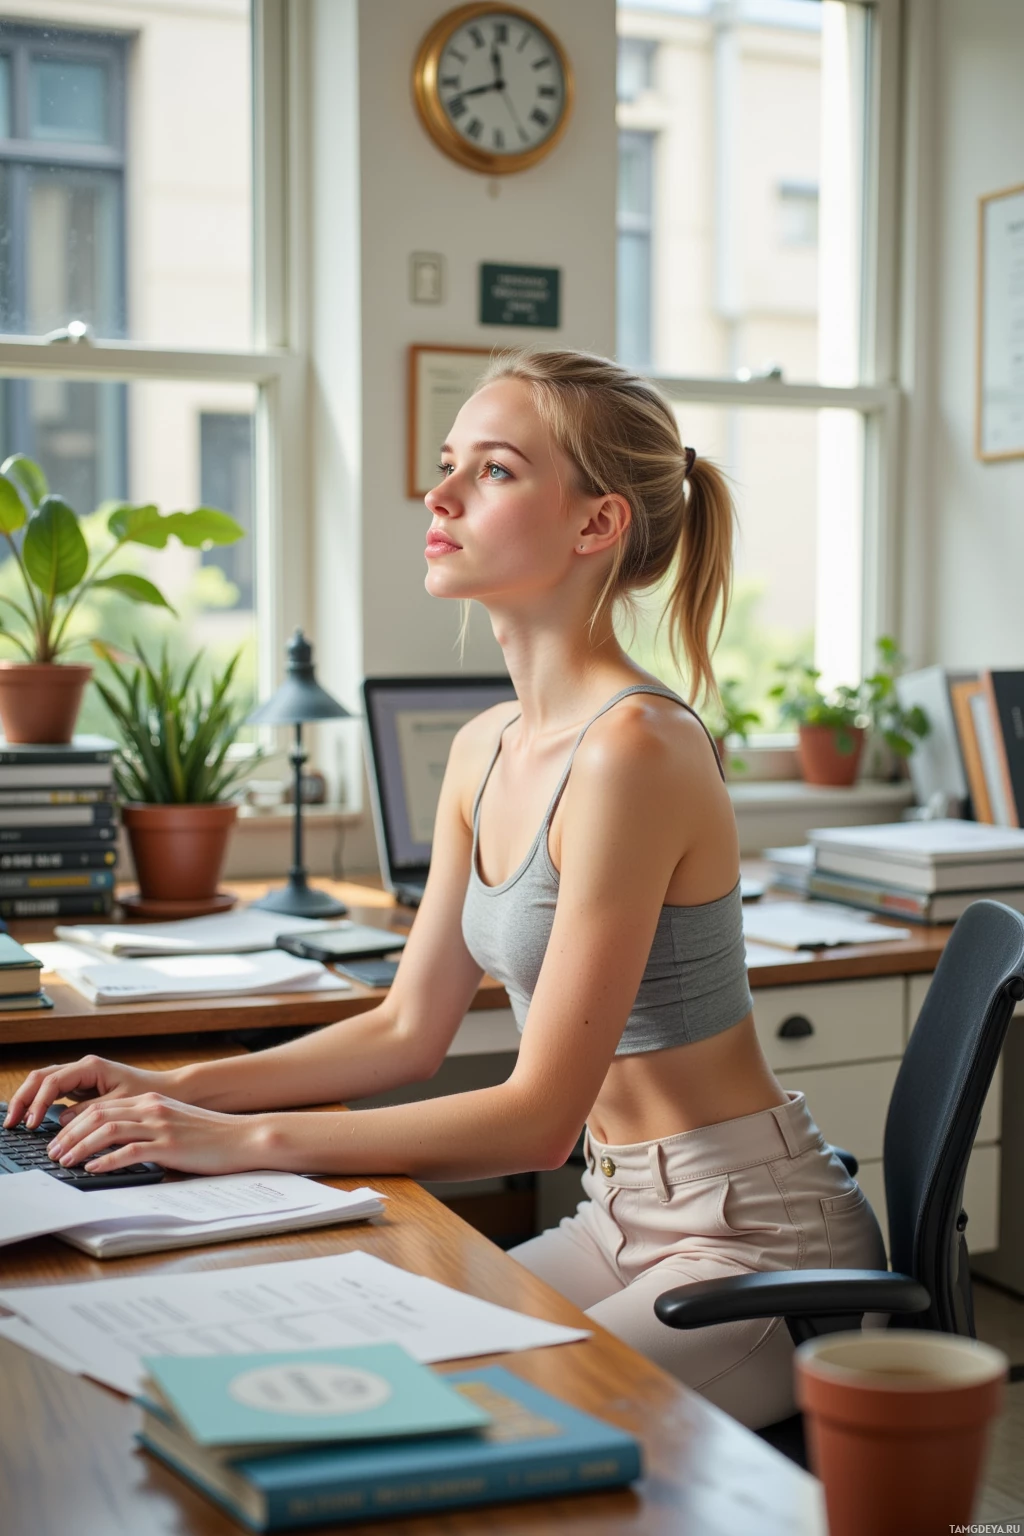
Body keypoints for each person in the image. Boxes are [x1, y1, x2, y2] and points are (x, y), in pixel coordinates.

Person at [4, 349, 885, 1428]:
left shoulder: (636, 751)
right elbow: (404, 1032)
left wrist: (242, 1141)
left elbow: (534, 1123)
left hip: (753, 1239)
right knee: (326, 1371)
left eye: (496, 470)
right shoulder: (484, 746)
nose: (442, 492)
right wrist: (171, 1088)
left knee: (426, 1423)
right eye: (447, 463)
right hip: (620, 1216)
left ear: (596, 525)